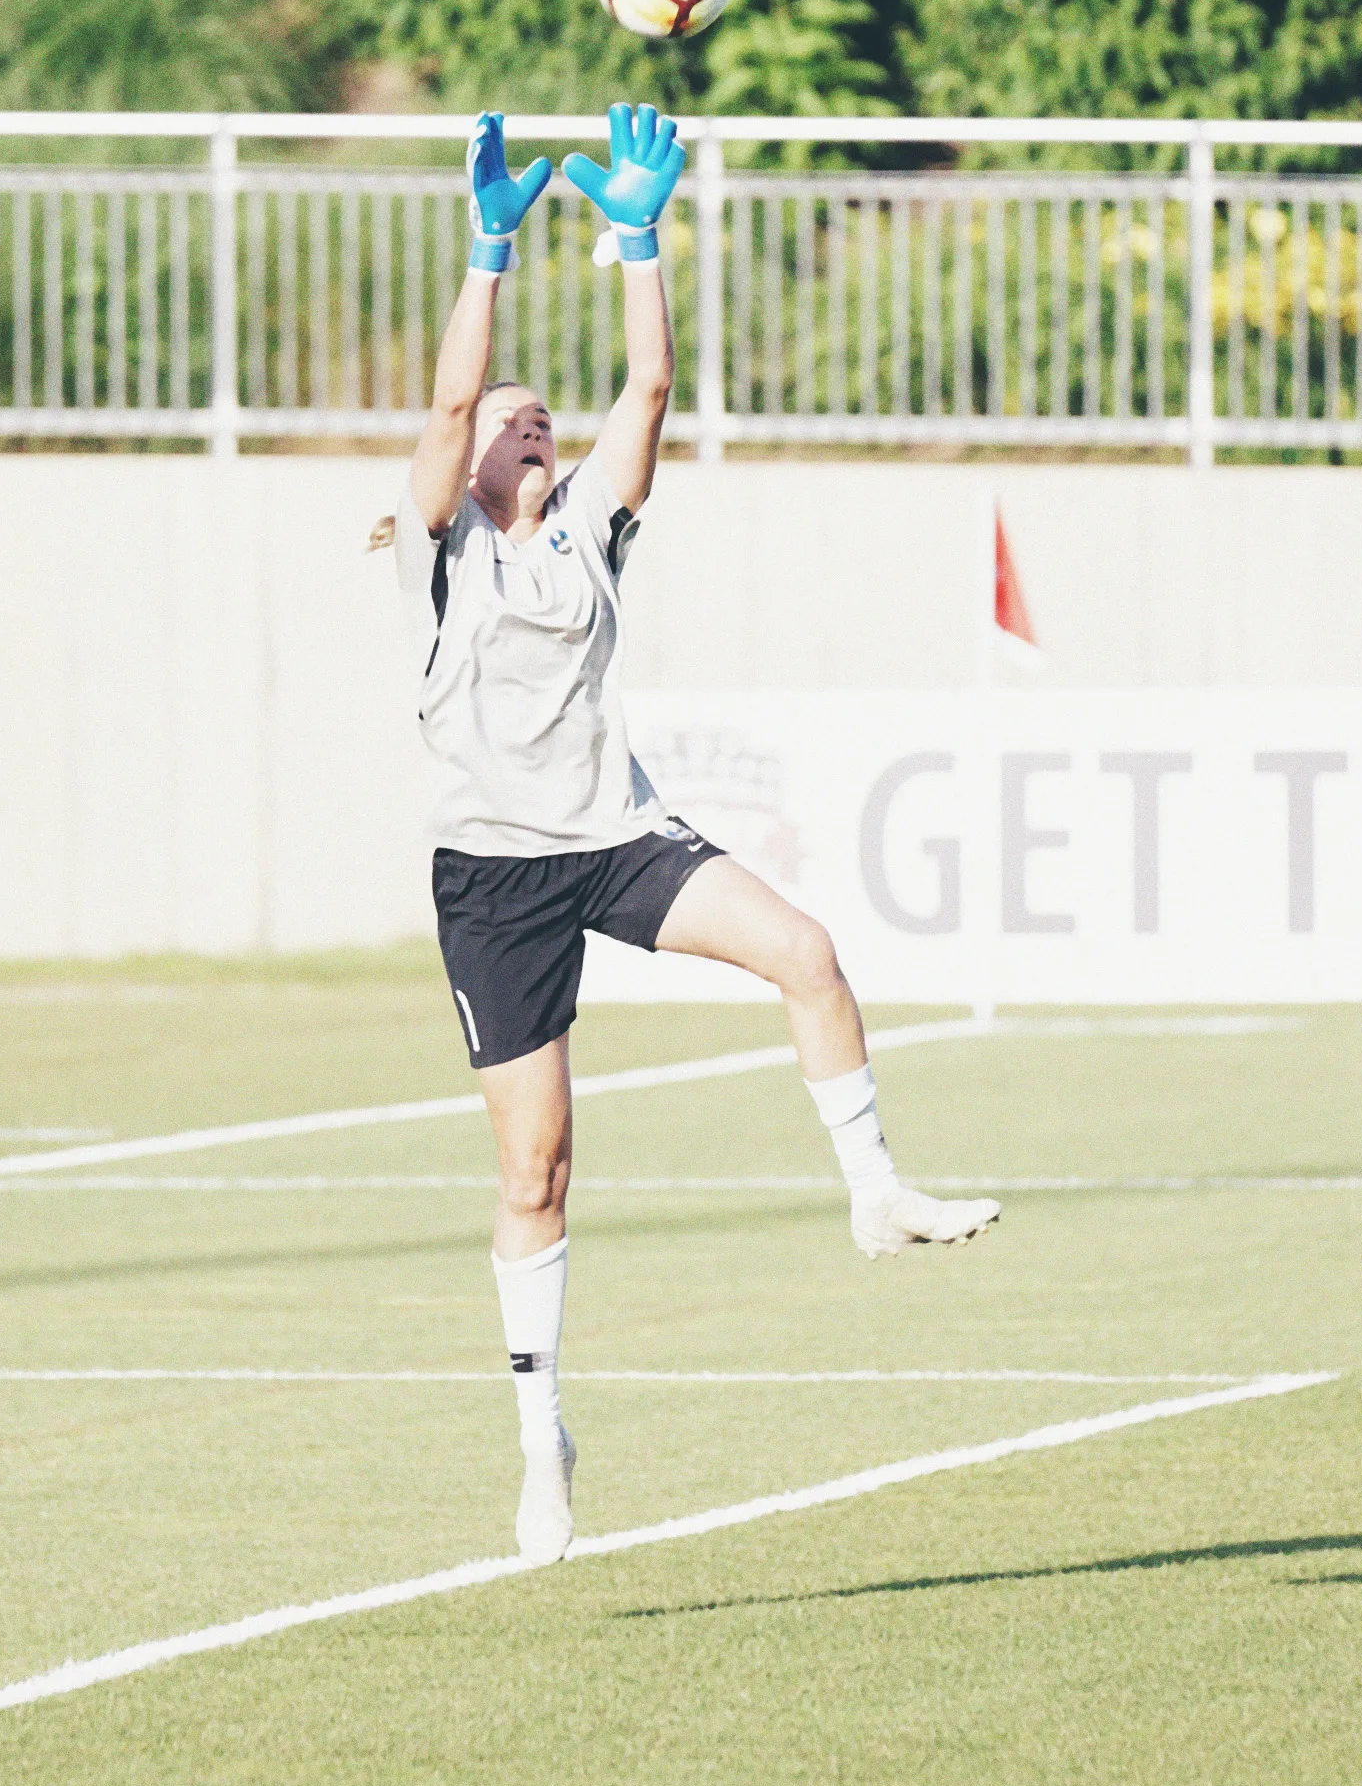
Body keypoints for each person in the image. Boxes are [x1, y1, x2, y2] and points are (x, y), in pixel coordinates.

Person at [384, 106, 1002, 1568]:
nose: (528, 424)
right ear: (465, 458)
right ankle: (543, 1448)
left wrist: (640, 240)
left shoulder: (588, 529)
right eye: (506, 417)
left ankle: (873, 1194)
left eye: (543, 416)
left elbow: (650, 382)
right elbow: (444, 395)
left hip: (615, 836)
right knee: (538, 1166)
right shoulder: (440, 552)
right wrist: (489, 254)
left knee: (807, 951)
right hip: (492, 881)